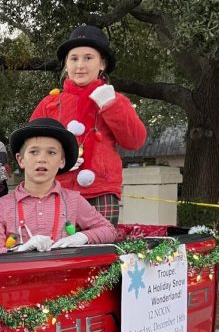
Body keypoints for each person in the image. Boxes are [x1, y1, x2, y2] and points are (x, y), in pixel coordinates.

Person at [30, 24, 146, 223]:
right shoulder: (49, 104)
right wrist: (59, 161)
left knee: (99, 250)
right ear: (66, 64)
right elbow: (31, 147)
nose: (80, 65)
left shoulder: (116, 100)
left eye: (88, 58)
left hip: (101, 191)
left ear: (102, 64)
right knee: (57, 251)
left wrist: (111, 105)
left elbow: (134, 141)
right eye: (73, 58)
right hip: (56, 190)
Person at [0, 118, 117, 254]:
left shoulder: (73, 200)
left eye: (51, 152)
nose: (42, 159)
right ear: (20, 160)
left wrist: (82, 236)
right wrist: (20, 249)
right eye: (34, 152)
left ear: (62, 161)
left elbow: (110, 230)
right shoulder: (0, 207)